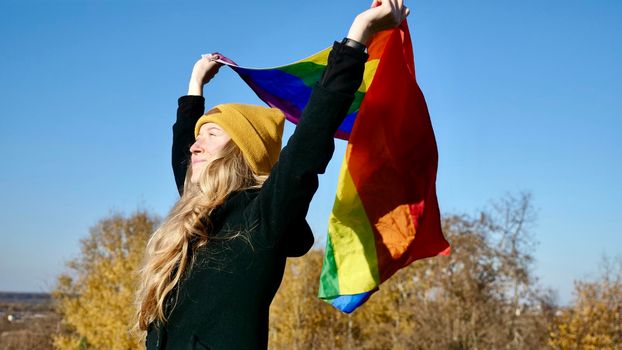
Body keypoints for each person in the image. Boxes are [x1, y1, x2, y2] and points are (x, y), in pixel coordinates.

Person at [135, 1, 410, 349]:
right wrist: (195, 86)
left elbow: (307, 145)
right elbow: (182, 152)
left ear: (241, 152)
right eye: (198, 136)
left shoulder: (263, 219)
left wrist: (358, 36)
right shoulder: (199, 214)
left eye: (211, 135)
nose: (195, 145)